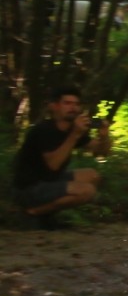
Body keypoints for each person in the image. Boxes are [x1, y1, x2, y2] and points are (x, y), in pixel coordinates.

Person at [12, 85, 111, 229]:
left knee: (92, 175)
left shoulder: (73, 129)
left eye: (77, 104)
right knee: (87, 191)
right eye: (67, 103)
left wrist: (104, 136)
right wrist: (74, 135)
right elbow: (53, 165)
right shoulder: (44, 130)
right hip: (29, 187)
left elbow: (101, 152)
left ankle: (46, 214)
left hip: (50, 181)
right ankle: (31, 213)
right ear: (54, 106)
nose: (73, 108)